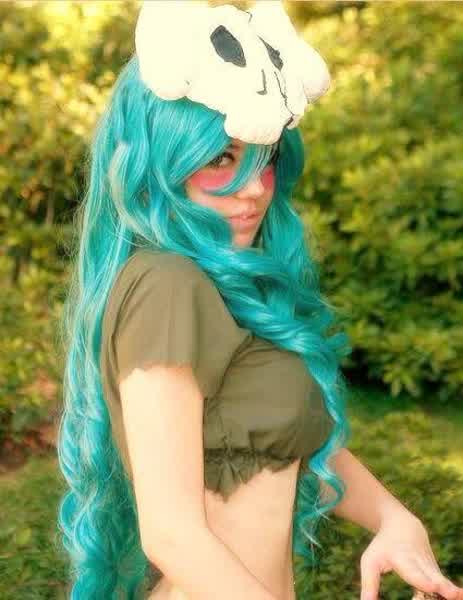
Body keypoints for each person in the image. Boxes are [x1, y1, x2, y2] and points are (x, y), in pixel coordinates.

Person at [56, 2, 463, 600]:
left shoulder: (221, 284)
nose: (252, 188)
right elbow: (171, 535)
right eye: (222, 159)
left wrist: (395, 519)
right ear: (161, 163)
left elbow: (281, 442)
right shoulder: (166, 285)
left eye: (264, 159)